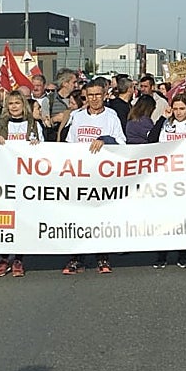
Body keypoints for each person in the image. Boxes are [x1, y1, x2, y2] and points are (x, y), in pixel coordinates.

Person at [61, 79, 126, 275]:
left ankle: (102, 257)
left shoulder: (111, 117)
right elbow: (69, 143)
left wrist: (104, 139)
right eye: (90, 95)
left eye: (98, 95)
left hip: (102, 175)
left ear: (105, 95)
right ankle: (76, 258)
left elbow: (122, 143)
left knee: (100, 217)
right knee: (79, 217)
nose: (94, 99)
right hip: (80, 175)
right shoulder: (77, 117)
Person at [149, 93, 186, 269]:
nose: (178, 112)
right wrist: (163, 118)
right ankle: (162, 255)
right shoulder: (167, 125)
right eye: (175, 108)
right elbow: (152, 140)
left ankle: (183, 254)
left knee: (183, 217)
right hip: (167, 178)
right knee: (164, 217)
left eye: (182, 108)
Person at [0, 92, 43, 278]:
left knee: (21, 220)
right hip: (4, 179)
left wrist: (36, 144)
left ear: (23, 104)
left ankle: (19, 257)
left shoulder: (34, 125)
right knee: (4, 219)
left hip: (25, 180)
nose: (13, 106)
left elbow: (43, 151)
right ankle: (3, 257)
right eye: (10, 103)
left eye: (17, 103)